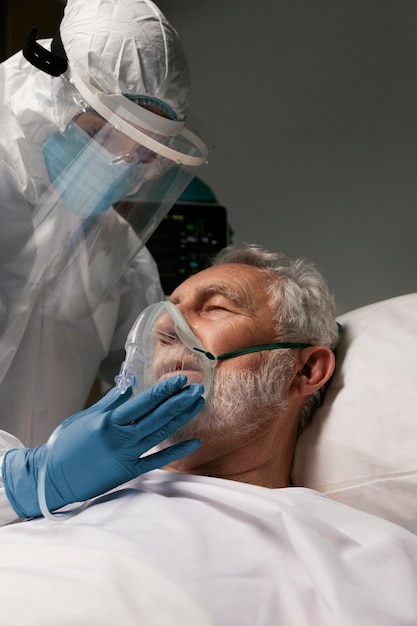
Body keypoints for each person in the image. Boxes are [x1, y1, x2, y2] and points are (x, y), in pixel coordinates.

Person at [1, 244, 417, 626]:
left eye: (215, 307)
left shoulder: (355, 552)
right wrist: (25, 482)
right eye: (168, 309)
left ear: (305, 370)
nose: (165, 327)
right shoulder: (58, 489)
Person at [0, 0, 212, 447]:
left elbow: (154, 378)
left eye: (143, 153)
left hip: (35, 513)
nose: (120, 162)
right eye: (101, 132)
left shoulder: (115, 252)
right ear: (53, 90)